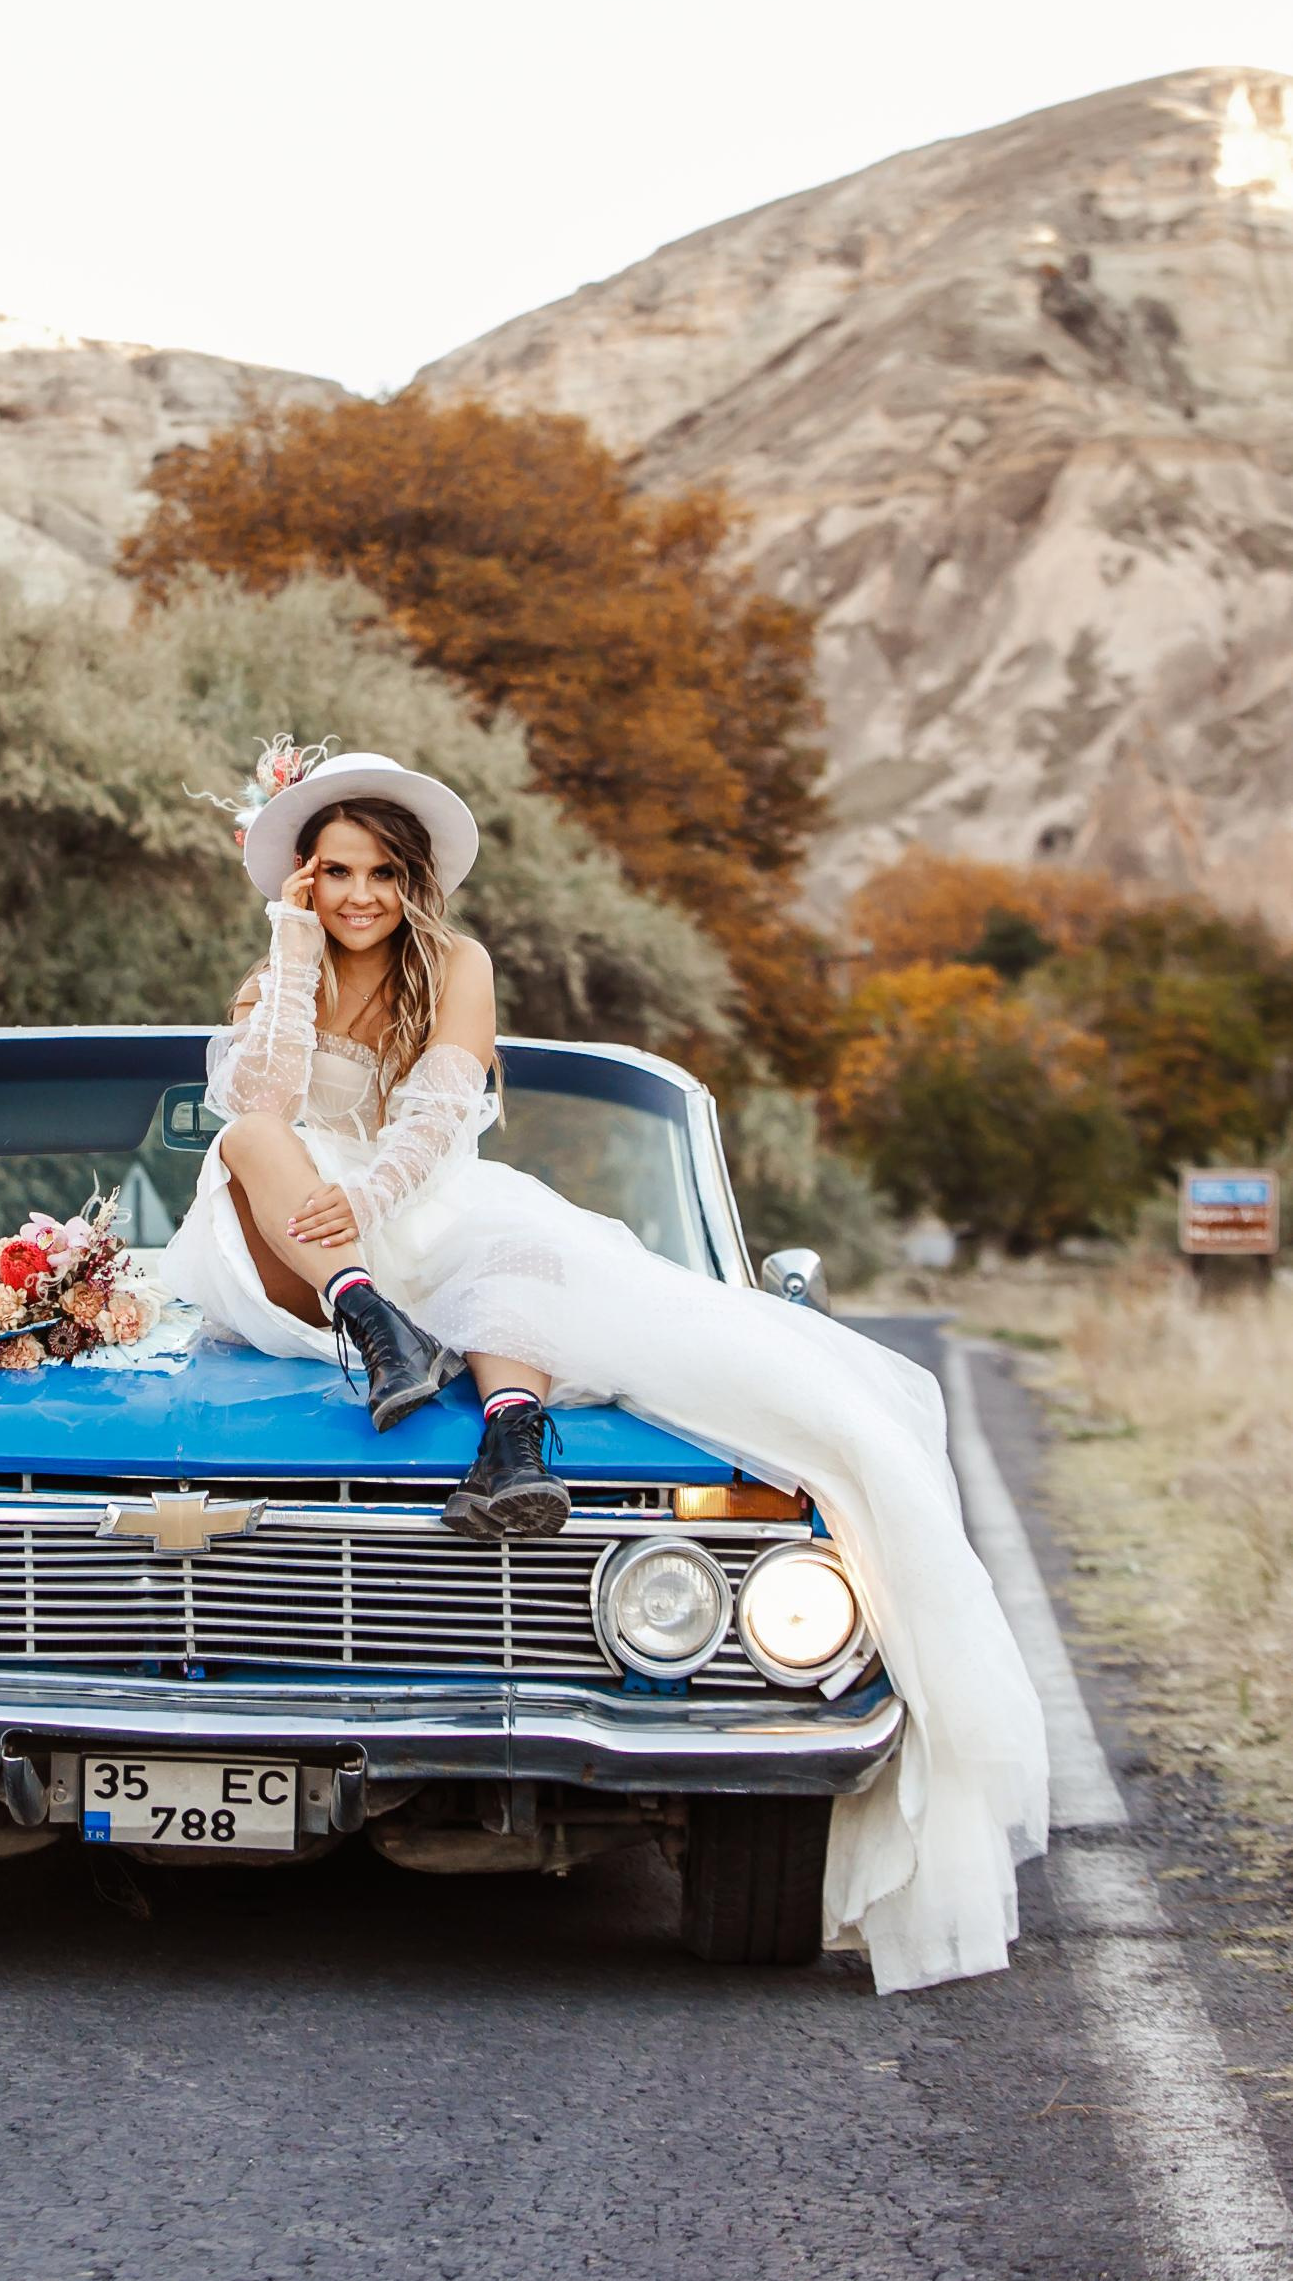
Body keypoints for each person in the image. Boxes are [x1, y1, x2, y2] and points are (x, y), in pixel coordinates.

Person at [160, 743, 1049, 1996]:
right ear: (307, 877)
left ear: (413, 880)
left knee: (516, 1243)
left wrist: (365, 1196)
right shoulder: (280, 968)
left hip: (405, 1200)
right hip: (283, 1239)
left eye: (378, 874)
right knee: (253, 1130)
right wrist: (293, 953)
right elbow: (258, 1100)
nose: (358, 894)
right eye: (334, 872)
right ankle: (376, 1327)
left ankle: (510, 1438)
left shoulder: (454, 966)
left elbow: (438, 1114)